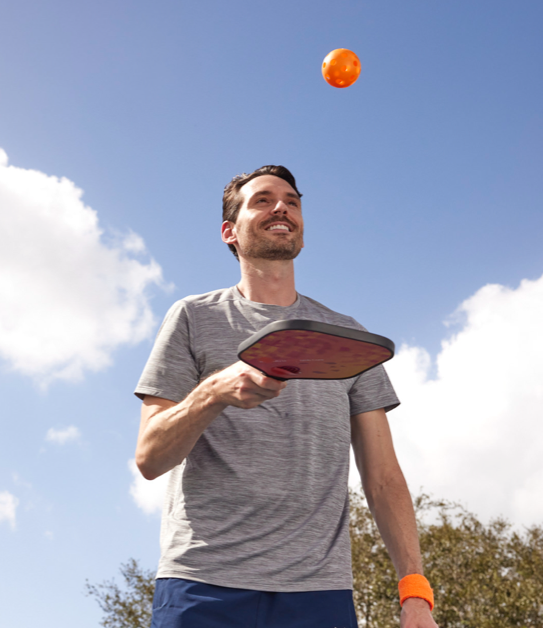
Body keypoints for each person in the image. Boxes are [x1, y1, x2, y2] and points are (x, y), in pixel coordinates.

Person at [134, 165, 438, 628]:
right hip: (202, 582)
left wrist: (415, 592)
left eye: (292, 201)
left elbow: (382, 477)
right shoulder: (192, 318)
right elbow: (150, 457)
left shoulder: (347, 338)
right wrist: (215, 391)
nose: (282, 207)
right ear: (228, 232)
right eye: (262, 200)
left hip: (319, 593)